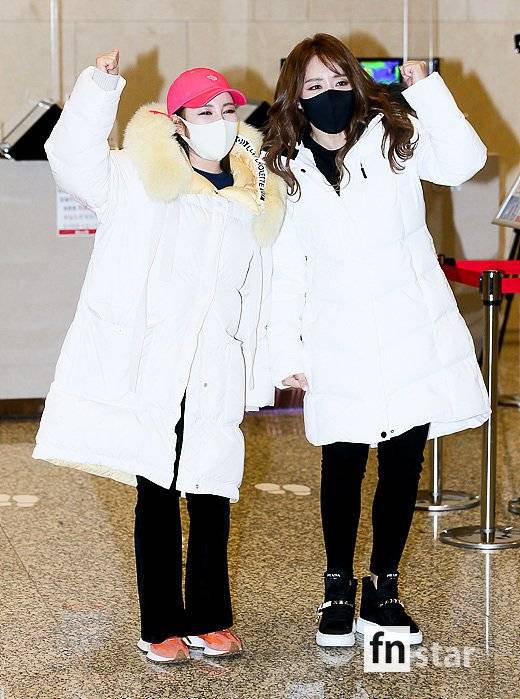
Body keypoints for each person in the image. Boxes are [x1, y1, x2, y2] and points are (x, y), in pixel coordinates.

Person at [32, 49, 286, 663]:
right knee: (158, 490)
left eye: (226, 110)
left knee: (213, 490)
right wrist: (99, 89)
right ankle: (160, 625)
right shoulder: (136, 178)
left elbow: (264, 288)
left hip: (216, 365)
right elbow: (70, 159)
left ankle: (210, 618)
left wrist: (271, 362)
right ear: (177, 122)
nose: (218, 121)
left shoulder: (254, 194)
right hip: (155, 364)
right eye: (203, 112)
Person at [263, 33, 489, 648]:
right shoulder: (285, 170)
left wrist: (428, 92)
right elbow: (286, 267)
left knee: (401, 465)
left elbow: (465, 161)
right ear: (295, 97)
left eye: (340, 82)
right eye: (315, 86)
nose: (330, 95)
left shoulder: (395, 139)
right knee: (342, 464)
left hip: (407, 330)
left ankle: (384, 588)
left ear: (357, 85)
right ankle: (337, 587)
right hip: (335, 338)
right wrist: (287, 351)